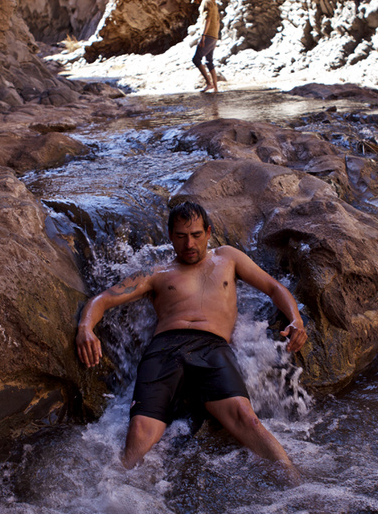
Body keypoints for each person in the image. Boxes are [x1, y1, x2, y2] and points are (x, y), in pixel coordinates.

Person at [76, 200, 306, 476]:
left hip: (212, 348)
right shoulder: (157, 273)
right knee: (139, 431)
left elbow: (273, 287)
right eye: (182, 237)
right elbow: (101, 300)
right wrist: (85, 328)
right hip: (164, 350)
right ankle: (114, 501)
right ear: (171, 236)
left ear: (208, 232)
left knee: (247, 420)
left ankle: (296, 482)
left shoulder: (228, 258)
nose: (189, 244)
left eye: (196, 235)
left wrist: (295, 318)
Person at [191, 0, 220, 94]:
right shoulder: (213, 2)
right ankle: (216, 88)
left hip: (208, 35)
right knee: (209, 61)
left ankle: (209, 83)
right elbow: (217, 20)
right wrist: (215, 35)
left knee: (196, 59)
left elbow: (207, 18)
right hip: (214, 35)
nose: (197, 2)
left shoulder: (205, 2)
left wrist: (203, 36)